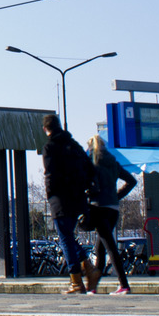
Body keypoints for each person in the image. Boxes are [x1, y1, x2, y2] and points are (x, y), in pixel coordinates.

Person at [40, 112, 95, 294]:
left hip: (60, 200)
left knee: (65, 239)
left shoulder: (50, 148)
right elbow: (90, 168)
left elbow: (50, 175)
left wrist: (50, 195)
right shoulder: (74, 145)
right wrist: (84, 188)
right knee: (69, 237)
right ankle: (88, 269)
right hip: (78, 199)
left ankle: (76, 281)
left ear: (46, 129)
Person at [85, 135, 139, 295]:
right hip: (113, 209)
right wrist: (116, 196)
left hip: (98, 207)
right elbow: (131, 181)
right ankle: (93, 287)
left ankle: (124, 285)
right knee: (100, 248)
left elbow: (85, 182)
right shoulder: (113, 162)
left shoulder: (91, 160)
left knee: (110, 248)